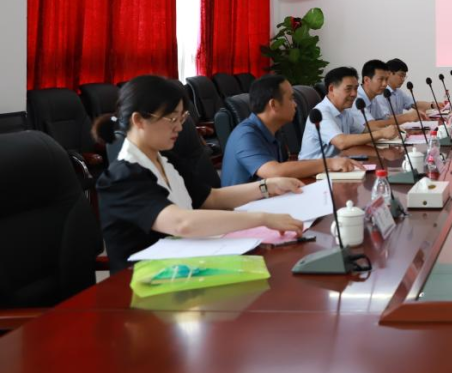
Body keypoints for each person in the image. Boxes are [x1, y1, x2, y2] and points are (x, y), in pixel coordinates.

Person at [95, 75, 305, 273]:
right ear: (139, 120)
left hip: (183, 266)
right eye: (172, 118)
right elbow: (181, 223)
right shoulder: (122, 178)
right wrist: (262, 218)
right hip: (141, 281)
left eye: (181, 118)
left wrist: (268, 186)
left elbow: (210, 197)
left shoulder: (165, 159)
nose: (179, 127)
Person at [222, 74, 364, 186]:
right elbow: (274, 172)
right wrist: (330, 163)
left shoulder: (273, 130)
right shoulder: (246, 135)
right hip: (242, 209)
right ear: (273, 104)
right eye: (291, 99)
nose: (295, 104)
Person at [299, 66, 397, 160]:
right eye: (348, 89)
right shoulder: (321, 113)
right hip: (314, 169)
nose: (354, 94)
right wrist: (381, 133)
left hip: (336, 164)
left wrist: (389, 130)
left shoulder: (345, 111)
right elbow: (342, 142)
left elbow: (363, 131)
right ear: (331, 89)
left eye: (356, 88)